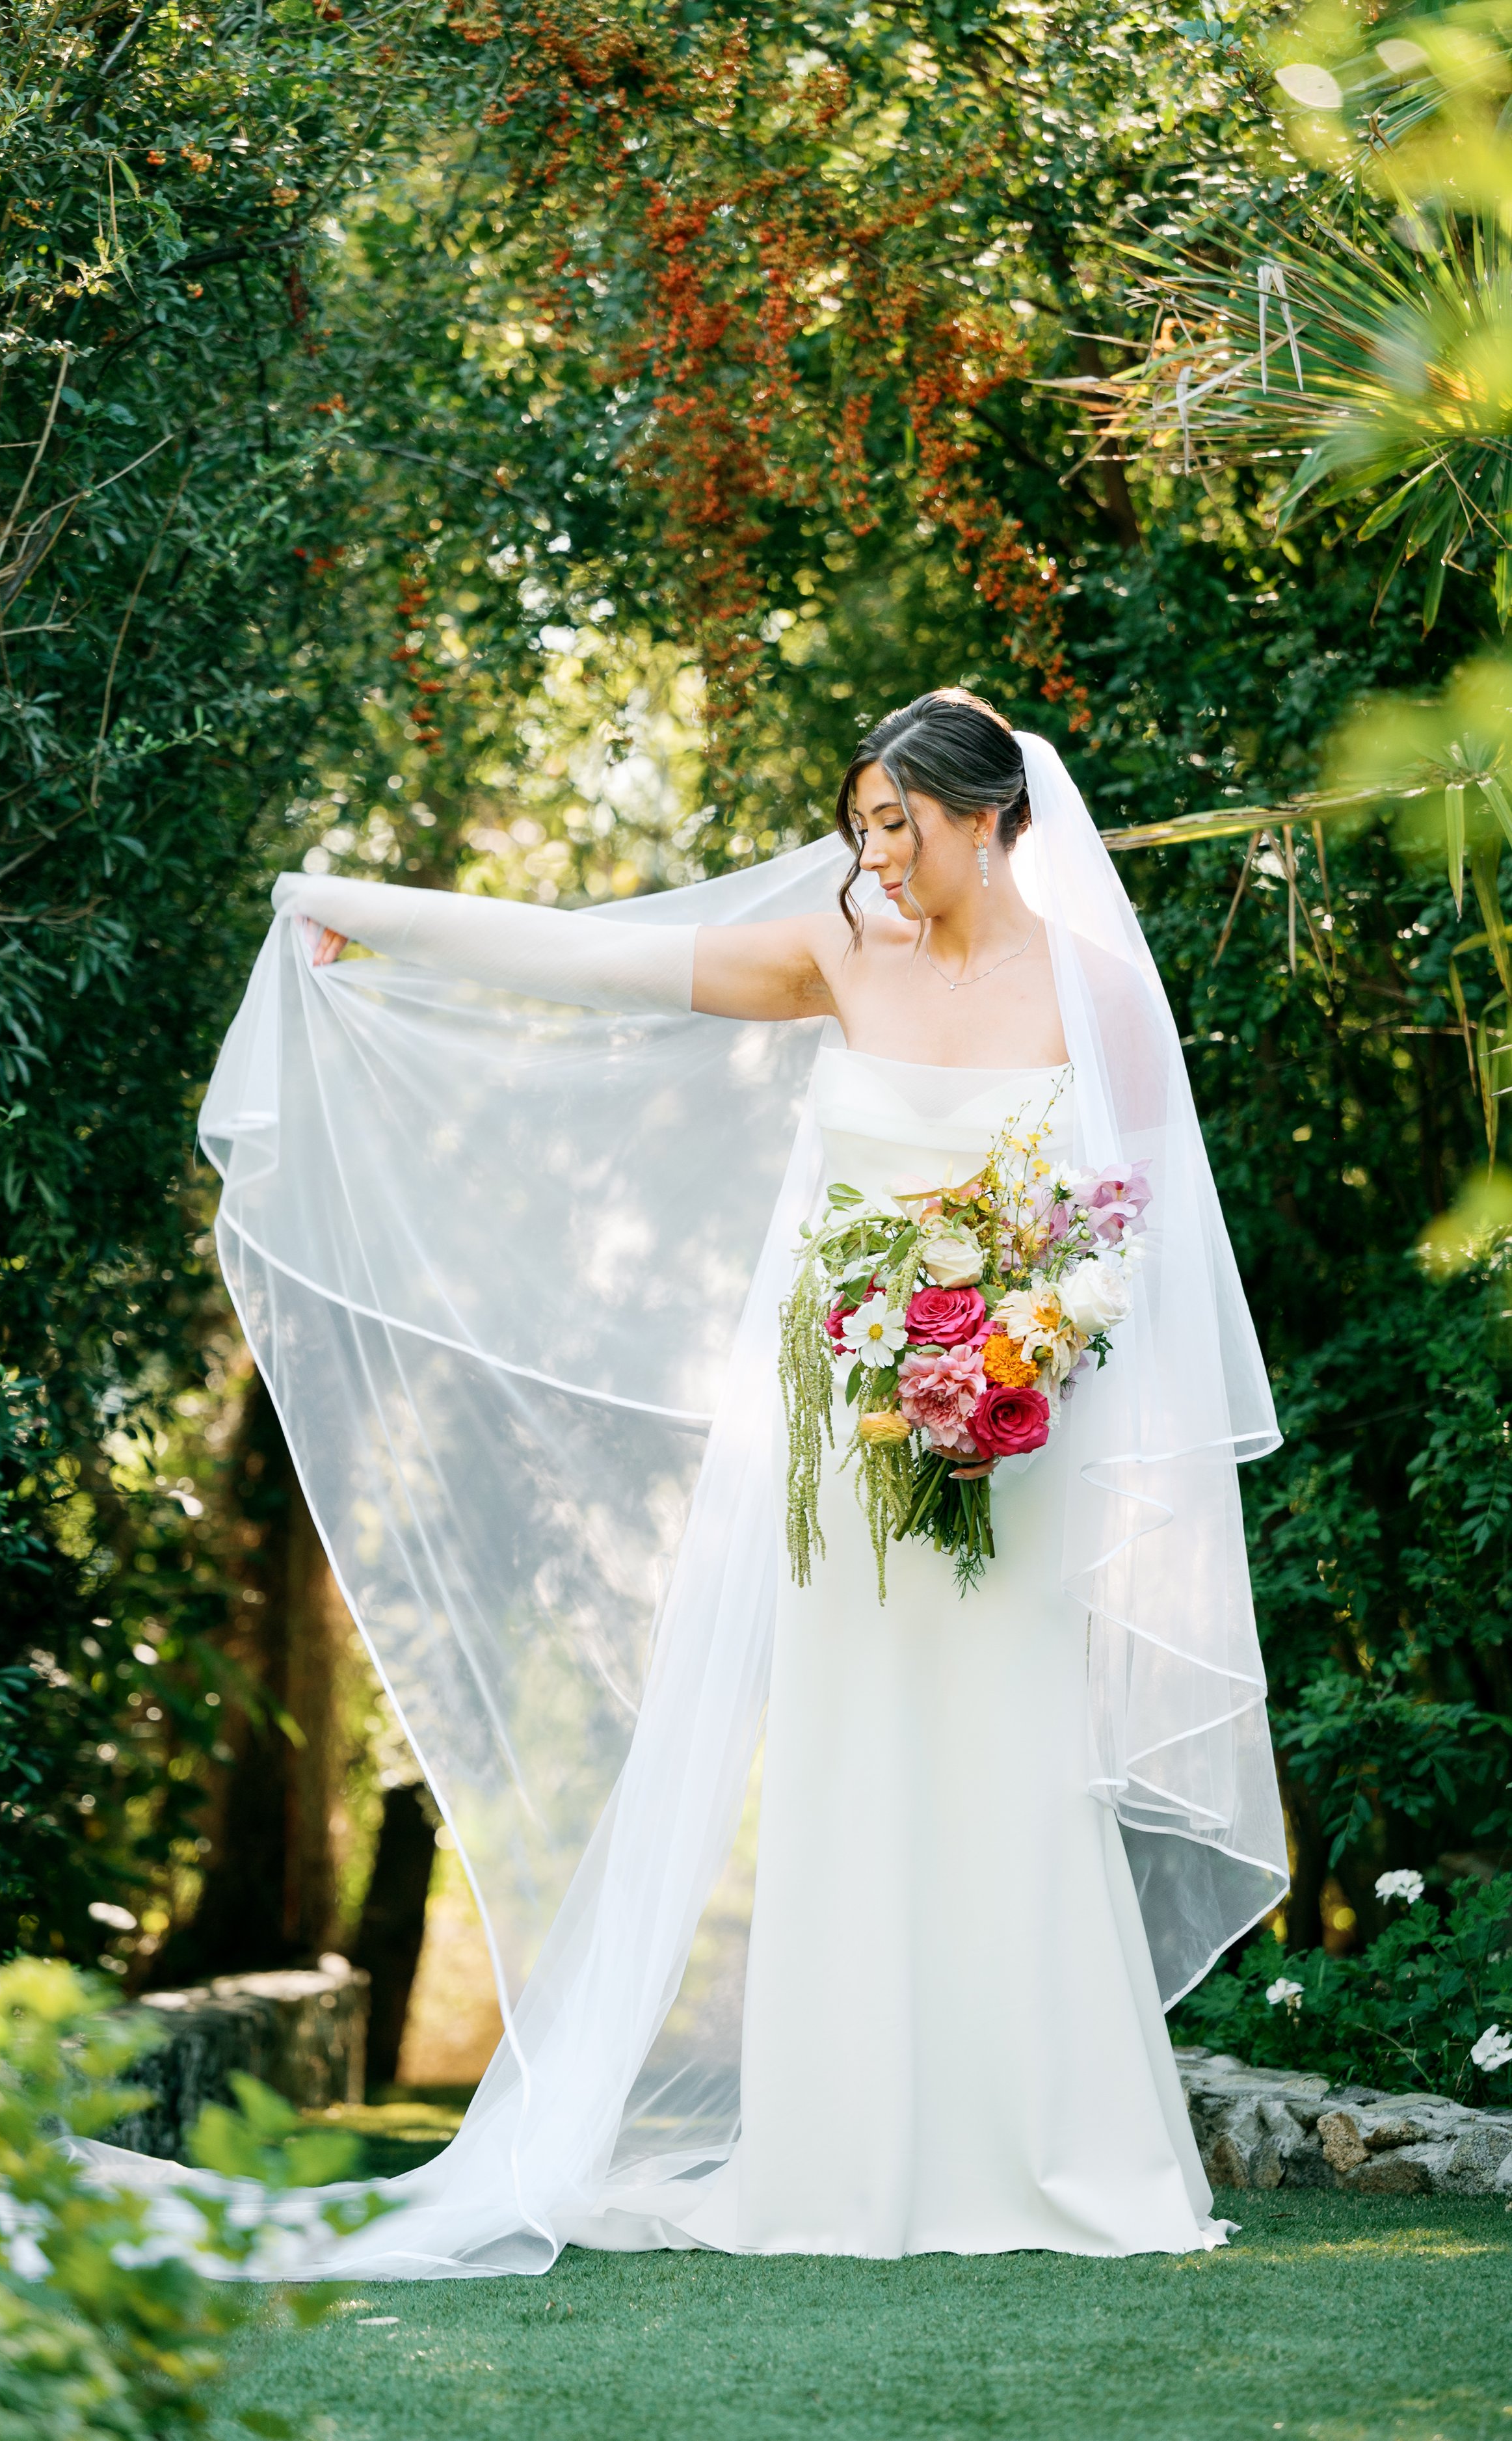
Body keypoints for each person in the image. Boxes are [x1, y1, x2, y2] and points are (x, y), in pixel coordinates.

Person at [85, 689, 1288, 2275]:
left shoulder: (1093, 987)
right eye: (860, 823)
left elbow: (1136, 1220)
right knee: (855, 1764)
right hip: (846, 1443)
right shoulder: (835, 953)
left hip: (1013, 1440)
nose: (874, 855)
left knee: (1012, 1758)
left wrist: (1027, 1346)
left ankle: (1048, 2145)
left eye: (898, 825)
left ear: (990, 819)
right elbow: (591, 959)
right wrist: (349, 910)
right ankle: (845, 2157)